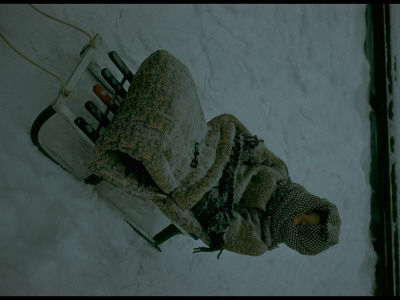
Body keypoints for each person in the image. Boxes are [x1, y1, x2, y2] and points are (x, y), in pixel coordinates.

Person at [87, 49, 341, 258]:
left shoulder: (257, 240)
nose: (299, 217)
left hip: (197, 182)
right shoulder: (280, 174)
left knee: (166, 151)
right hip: (210, 147)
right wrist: (227, 148)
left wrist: (210, 183)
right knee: (174, 82)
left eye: (303, 225)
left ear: (296, 240)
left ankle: (138, 134)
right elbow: (248, 144)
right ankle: (150, 102)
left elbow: (213, 220)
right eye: (307, 213)